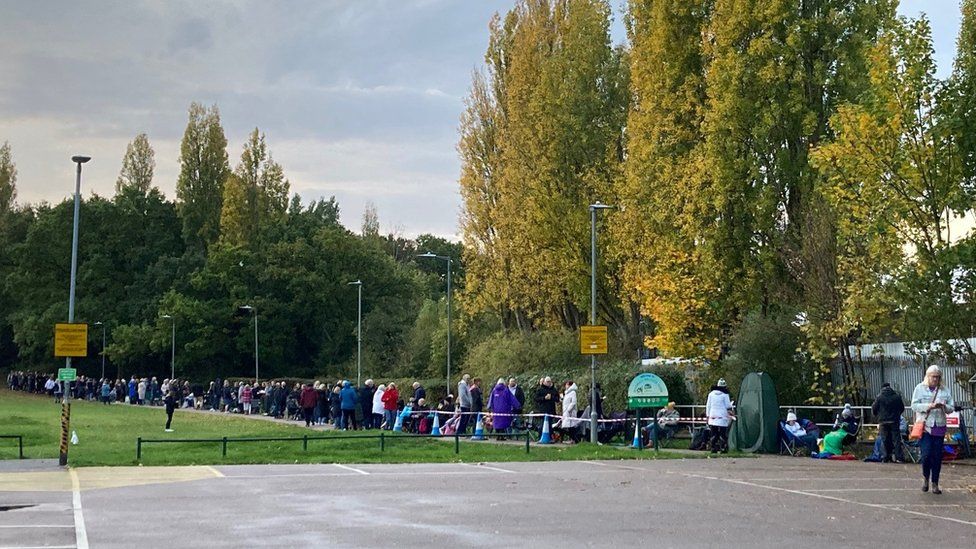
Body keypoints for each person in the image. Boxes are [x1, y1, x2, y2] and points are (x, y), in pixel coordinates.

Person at [911, 365, 955, 494]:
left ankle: (935, 483)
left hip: (939, 426)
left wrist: (943, 406)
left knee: (937, 456)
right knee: (926, 455)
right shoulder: (919, 388)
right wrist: (929, 406)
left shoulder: (944, 390)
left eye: (938, 377)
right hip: (925, 426)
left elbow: (951, 407)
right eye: (933, 376)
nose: (935, 379)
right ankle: (926, 478)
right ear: (927, 376)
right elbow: (914, 405)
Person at [871, 382, 906, 463]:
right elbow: (902, 408)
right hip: (894, 421)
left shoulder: (879, 397)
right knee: (896, 439)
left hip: (883, 421)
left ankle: (885, 457)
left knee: (884, 439)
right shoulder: (896, 397)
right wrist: (897, 415)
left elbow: (874, 409)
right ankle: (899, 457)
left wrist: (878, 416)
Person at [705, 379, 733, 453]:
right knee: (722, 433)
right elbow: (728, 406)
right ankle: (723, 448)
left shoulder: (711, 394)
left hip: (713, 416)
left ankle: (713, 447)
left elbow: (708, 405)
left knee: (714, 433)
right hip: (722, 417)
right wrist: (731, 412)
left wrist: (708, 416)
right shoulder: (725, 395)